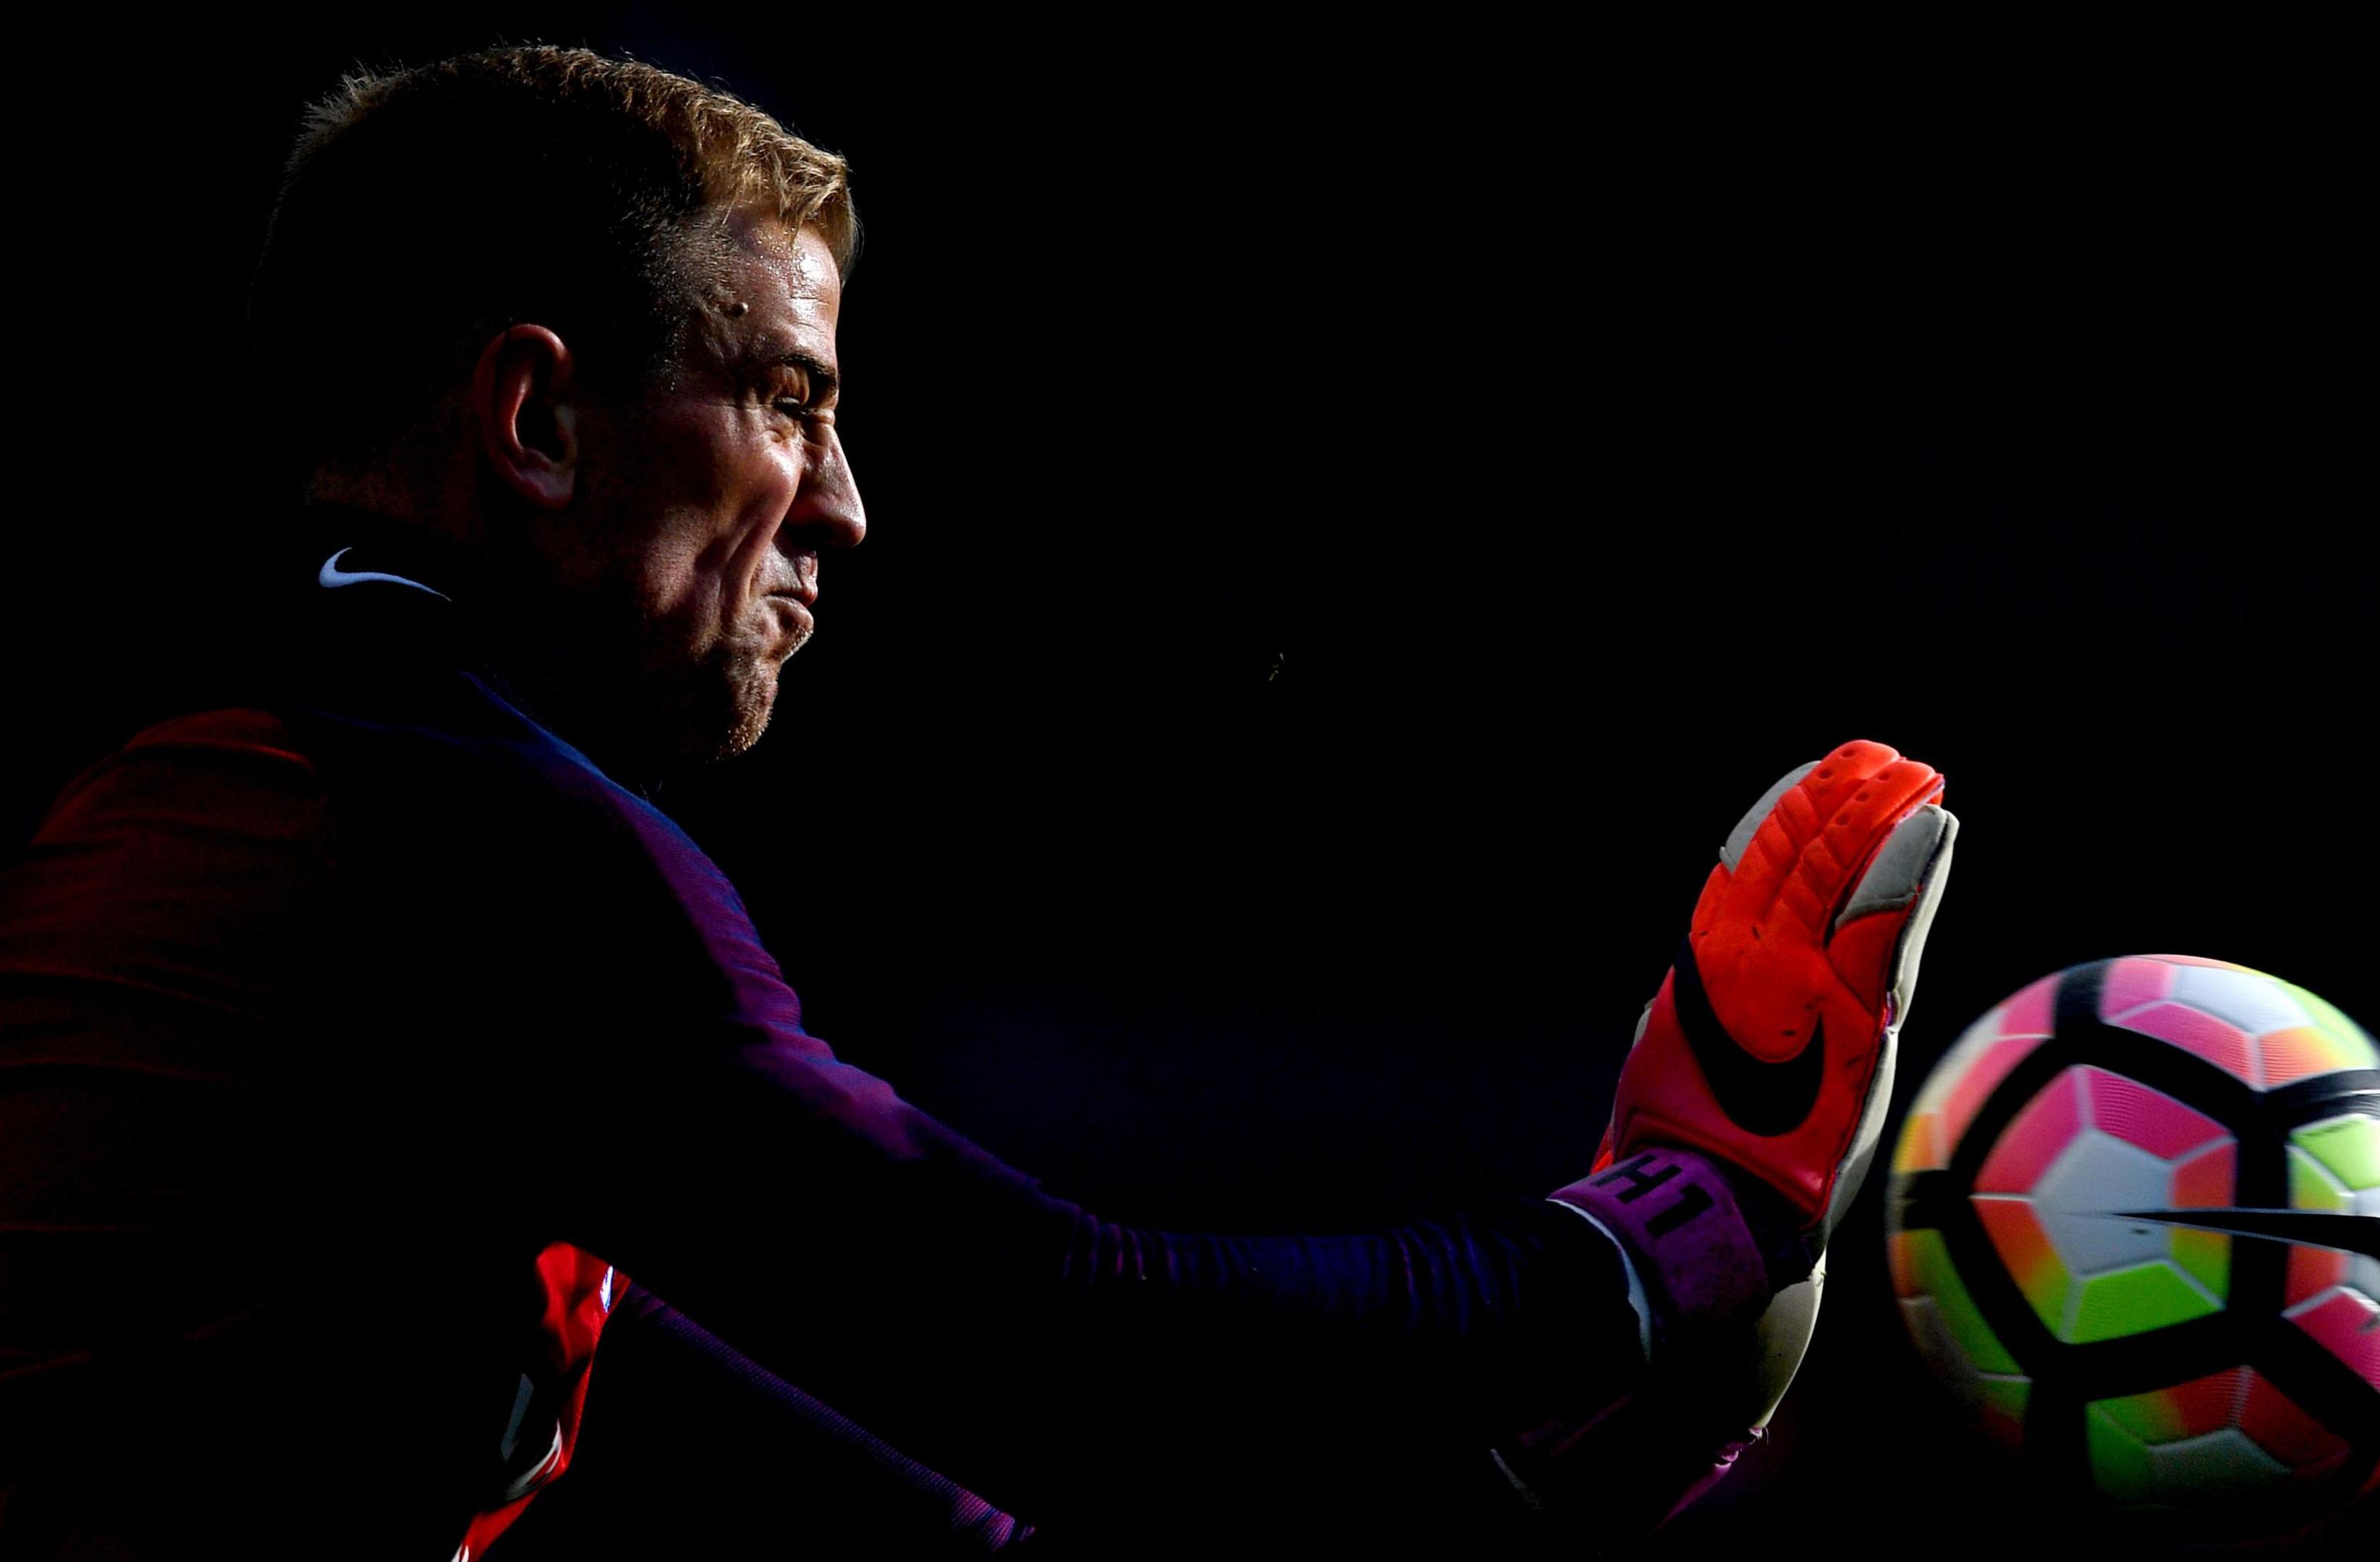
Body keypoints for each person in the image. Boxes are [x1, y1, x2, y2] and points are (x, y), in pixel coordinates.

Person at [0, 47, 1952, 1559]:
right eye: (786, 397)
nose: (842, 507)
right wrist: (1659, 1240)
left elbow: (957, 1528)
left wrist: (1530, 1466)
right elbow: (1069, 1347)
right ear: (538, 422)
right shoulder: (450, 837)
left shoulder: (268, 796)